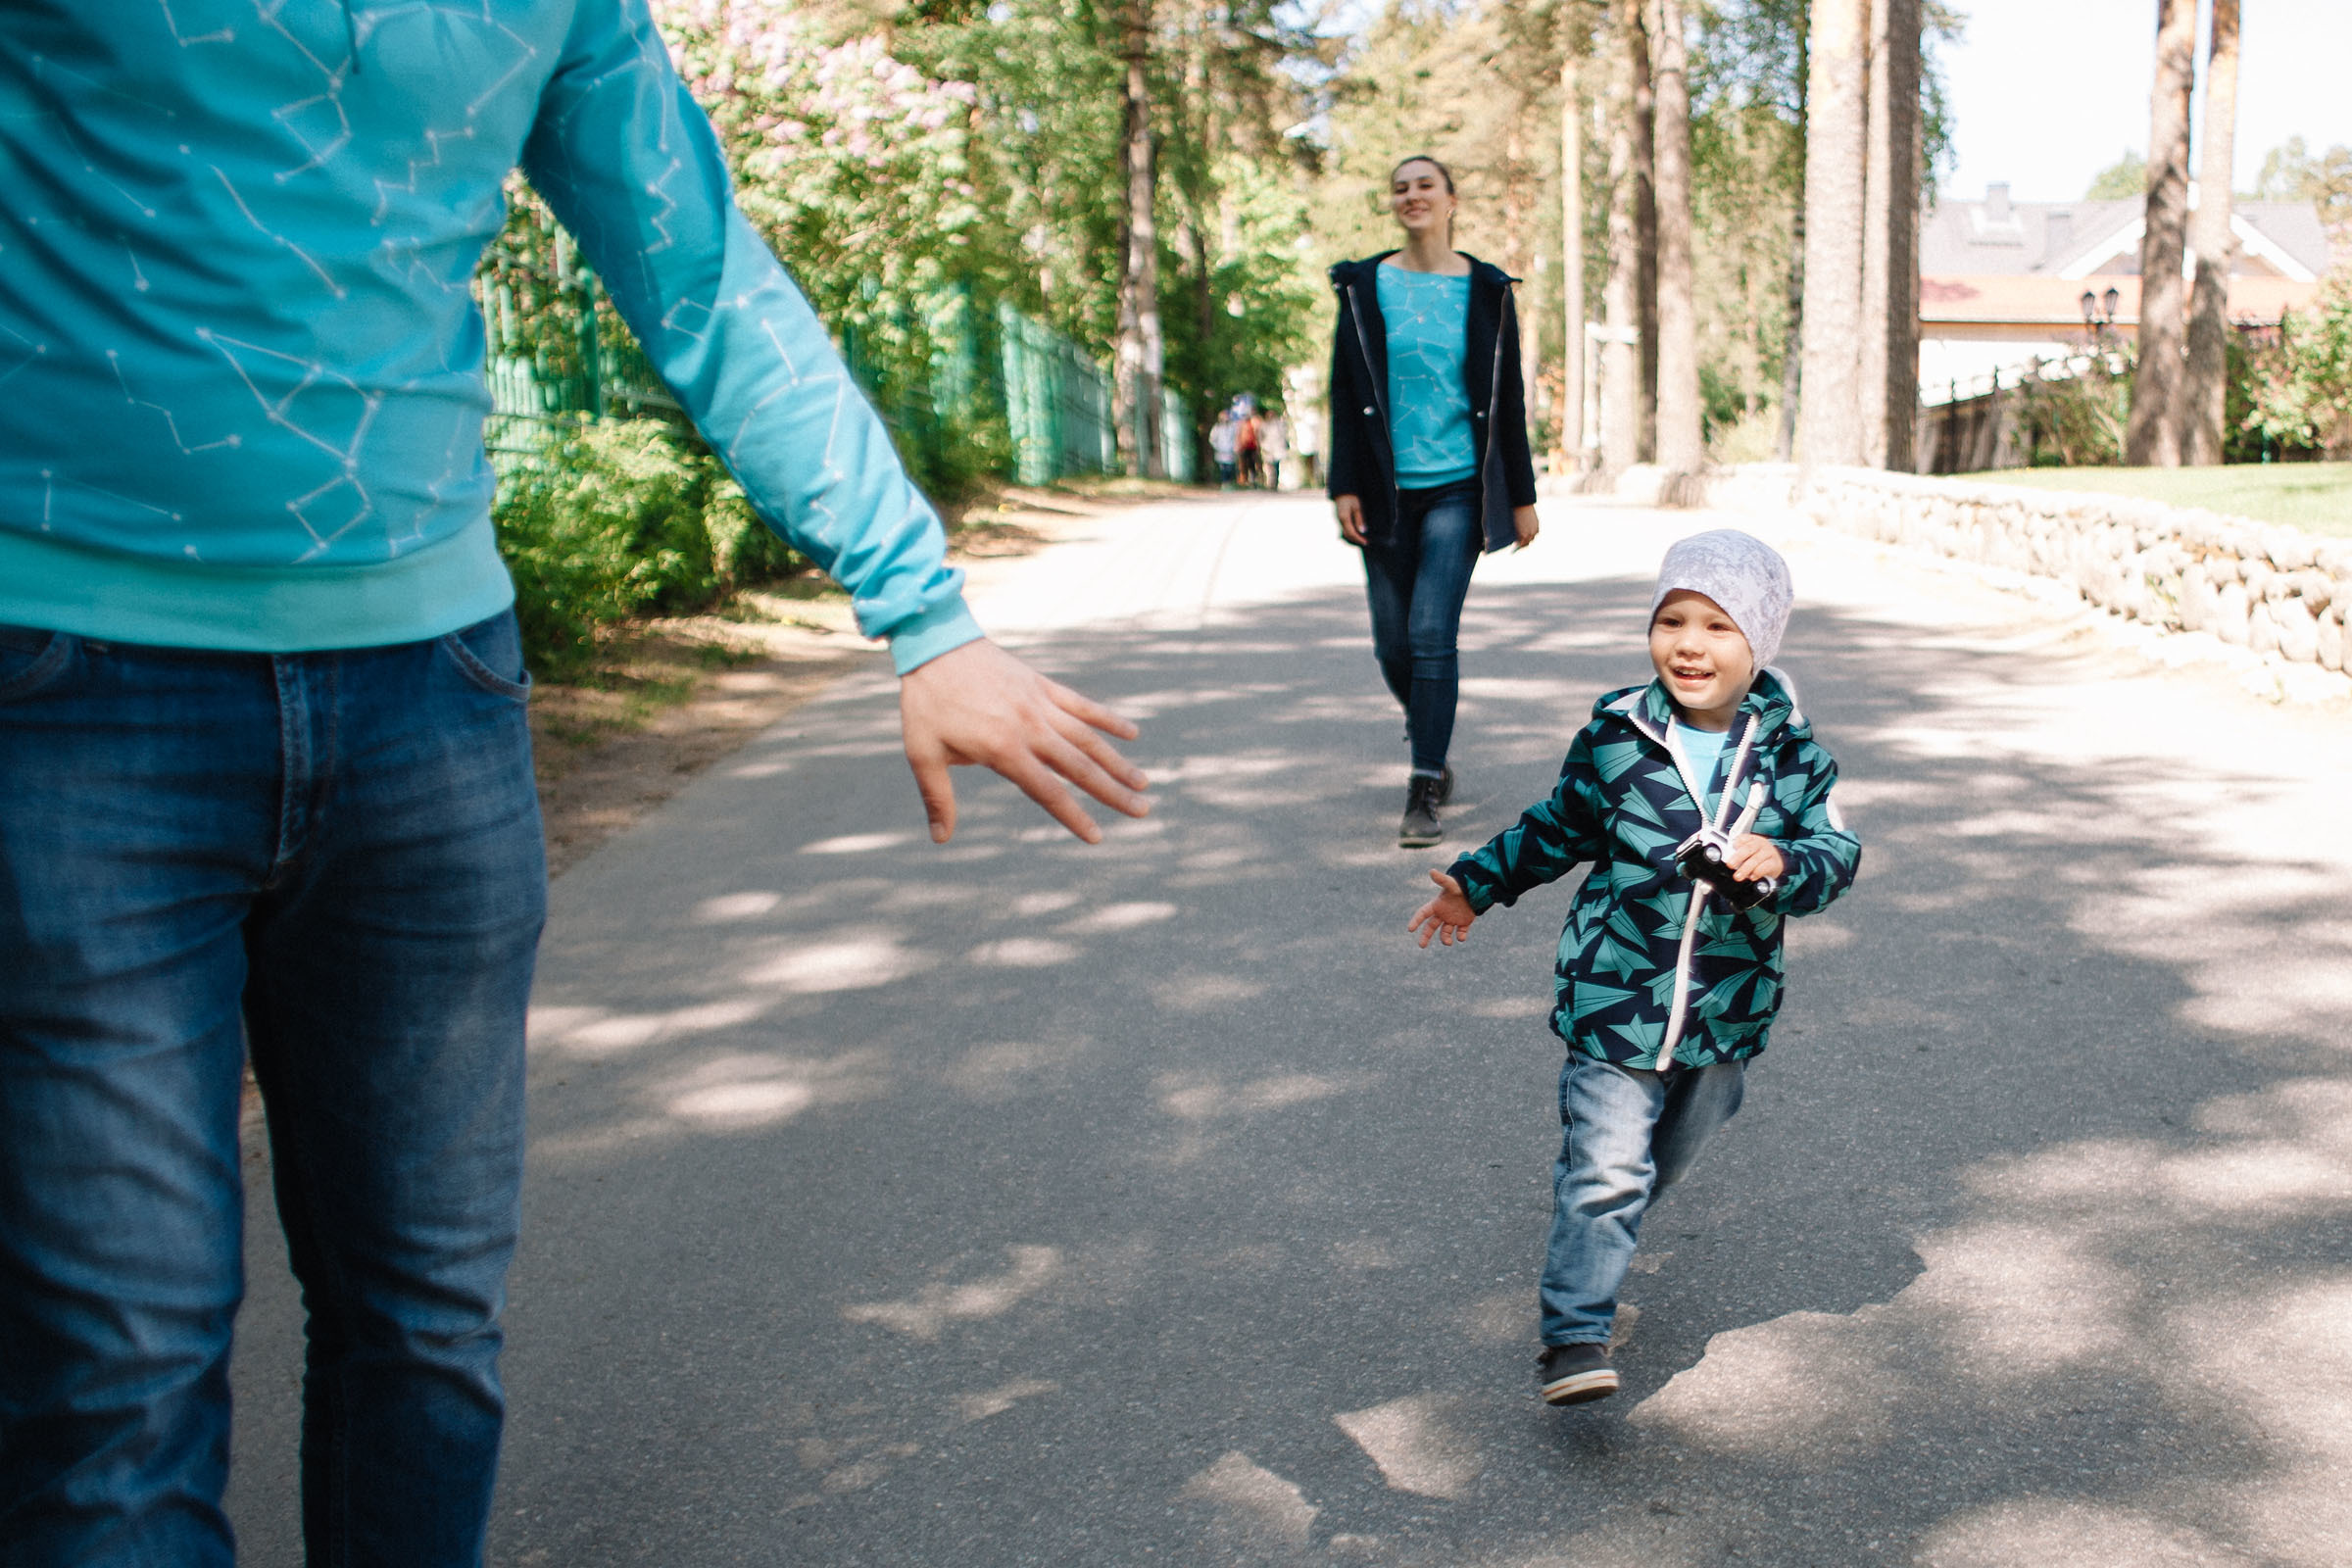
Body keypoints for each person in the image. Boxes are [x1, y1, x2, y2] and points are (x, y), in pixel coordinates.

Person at [0, 5, 1146, 1562]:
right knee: (114, 1376)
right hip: (67, 686)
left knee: (426, 1321)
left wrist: (921, 607)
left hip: (429, 702)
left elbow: (700, 273)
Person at [1405, 531, 1860, 1407]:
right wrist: (1476, 884)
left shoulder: (1794, 756)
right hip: (1614, 995)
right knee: (1609, 1170)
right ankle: (1574, 1334)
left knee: (1661, 1164)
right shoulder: (1619, 737)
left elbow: (1837, 853)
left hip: (1726, 1006)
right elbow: (1557, 827)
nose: (1689, 645)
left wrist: (1786, 862)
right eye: (1671, 621)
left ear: (1760, 641)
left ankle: (1598, 1223)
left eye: (1718, 627)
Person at [1327, 155, 1541, 850]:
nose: (1412, 195)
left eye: (1426, 185)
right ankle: (1430, 732)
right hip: (1384, 491)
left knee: (1429, 633)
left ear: (1451, 200)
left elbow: (1508, 398)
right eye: (1401, 188)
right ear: (1392, 203)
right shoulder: (1363, 285)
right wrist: (1343, 484)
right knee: (1392, 644)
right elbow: (1343, 391)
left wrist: (1522, 496)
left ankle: (1423, 784)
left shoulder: (1486, 289)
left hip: (1459, 488)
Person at [1210, 408, 1241, 487]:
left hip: (1230, 450)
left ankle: (1229, 483)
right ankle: (1224, 483)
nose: (1226, 419)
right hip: (1221, 451)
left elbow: (1236, 437)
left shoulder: (1233, 427)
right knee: (1223, 468)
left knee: (1230, 468)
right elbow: (1212, 439)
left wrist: (1235, 447)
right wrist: (1217, 447)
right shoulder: (1217, 428)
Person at [1236, 406, 1264, 489]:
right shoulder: (1241, 424)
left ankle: (1255, 480)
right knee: (1244, 464)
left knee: (1254, 463)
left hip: (1254, 447)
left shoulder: (1256, 421)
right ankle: (1244, 481)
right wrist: (1239, 445)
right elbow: (1239, 435)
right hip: (1244, 447)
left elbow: (1260, 434)